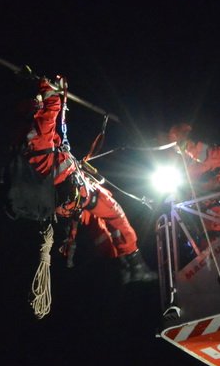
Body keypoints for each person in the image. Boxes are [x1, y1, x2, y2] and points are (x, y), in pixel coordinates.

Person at [14, 75, 155, 284]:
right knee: (116, 214)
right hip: (77, 193)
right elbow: (52, 106)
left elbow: (56, 120)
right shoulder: (39, 137)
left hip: (66, 201)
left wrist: (60, 93)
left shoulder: (27, 142)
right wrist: (47, 86)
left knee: (99, 227)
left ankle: (121, 267)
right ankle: (136, 264)